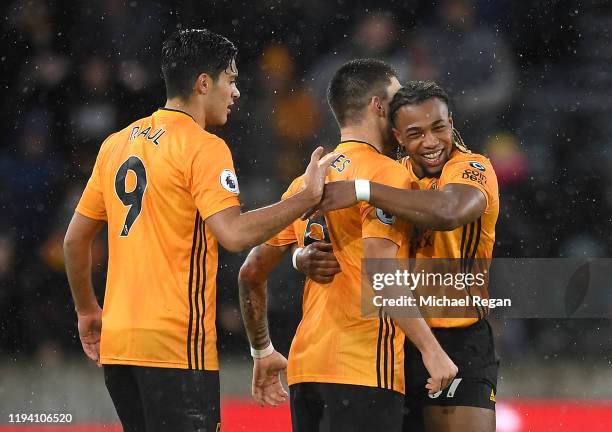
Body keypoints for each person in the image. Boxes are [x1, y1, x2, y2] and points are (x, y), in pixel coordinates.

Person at [63, 28, 337, 432]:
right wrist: (305, 198)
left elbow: (74, 240)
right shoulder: (203, 146)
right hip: (175, 345)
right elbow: (234, 235)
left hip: (120, 347)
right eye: (231, 79)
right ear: (203, 83)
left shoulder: (116, 144)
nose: (237, 92)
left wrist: (87, 310)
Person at [238, 59, 457, 432]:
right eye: (395, 97)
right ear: (378, 107)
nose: (403, 106)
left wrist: (262, 350)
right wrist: (432, 350)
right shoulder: (387, 176)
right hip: (363, 368)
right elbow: (382, 274)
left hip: (307, 371)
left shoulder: (307, 183)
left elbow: (250, 273)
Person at [313, 80, 500, 432]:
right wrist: (303, 255)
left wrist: (362, 190)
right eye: (415, 133)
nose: (430, 142)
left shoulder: (472, 168)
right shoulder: (394, 178)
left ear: (452, 123)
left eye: (439, 128)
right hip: (394, 339)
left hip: (459, 337)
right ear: (398, 137)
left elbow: (449, 210)